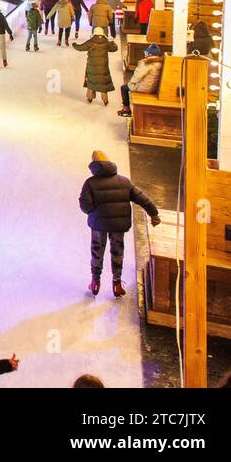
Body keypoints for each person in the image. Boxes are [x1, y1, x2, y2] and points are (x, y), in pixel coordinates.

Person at [79, 151, 160, 297]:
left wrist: (96, 211)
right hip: (118, 225)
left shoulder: (90, 183)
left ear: (94, 166)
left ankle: (95, 282)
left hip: (99, 224)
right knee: (117, 251)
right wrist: (153, 214)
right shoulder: (124, 181)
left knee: (97, 252)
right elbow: (143, 198)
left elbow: (85, 206)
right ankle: (117, 283)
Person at [73, 27, 118, 105]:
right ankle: (105, 100)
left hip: (92, 67)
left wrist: (74, 44)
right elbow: (114, 48)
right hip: (103, 67)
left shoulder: (91, 42)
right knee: (103, 83)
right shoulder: (106, 42)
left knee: (91, 81)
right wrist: (113, 43)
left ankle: (90, 97)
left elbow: (80, 47)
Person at [117, 43, 162, 117]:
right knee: (127, 86)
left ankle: (126, 109)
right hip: (153, 87)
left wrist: (130, 83)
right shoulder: (159, 62)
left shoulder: (147, 63)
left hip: (145, 88)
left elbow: (137, 77)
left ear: (150, 53)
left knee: (124, 88)